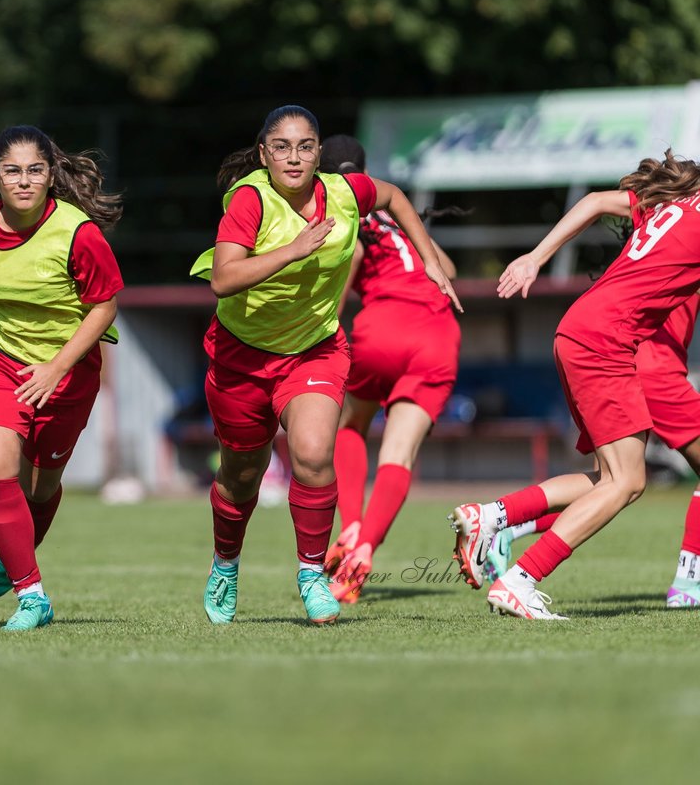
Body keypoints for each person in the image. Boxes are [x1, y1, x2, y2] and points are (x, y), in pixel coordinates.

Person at [191, 106, 459, 625]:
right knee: (241, 476)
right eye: (283, 147)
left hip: (314, 350)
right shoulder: (250, 201)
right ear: (264, 153)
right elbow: (222, 280)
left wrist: (427, 256)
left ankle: (313, 576)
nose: (295, 157)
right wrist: (293, 250)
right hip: (240, 358)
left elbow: (395, 197)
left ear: (319, 154)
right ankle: (225, 564)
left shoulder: (344, 193)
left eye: (306, 146)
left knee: (313, 454)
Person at [451, 150, 700, 619]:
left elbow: (590, 202)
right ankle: (519, 581)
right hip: (606, 340)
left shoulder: (676, 203)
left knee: (612, 478)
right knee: (627, 481)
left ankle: (495, 518)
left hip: (582, 328)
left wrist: (534, 259)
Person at [0, 124, 124, 632]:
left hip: (68, 372)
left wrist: (57, 367)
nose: (25, 181)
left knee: (40, 487)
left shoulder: (78, 232)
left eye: (35, 170)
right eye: (13, 171)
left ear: (50, 175)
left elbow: (104, 305)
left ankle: (15, 550)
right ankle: (32, 595)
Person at [473, 282, 700, 609]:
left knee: (606, 483)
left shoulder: (644, 251)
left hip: (617, 363)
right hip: (656, 373)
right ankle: (687, 584)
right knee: (622, 483)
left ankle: (502, 521)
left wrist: (540, 254)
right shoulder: (683, 250)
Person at [317, 135, 461, 603]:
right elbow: (449, 269)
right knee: (398, 454)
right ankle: (365, 549)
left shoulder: (335, 207)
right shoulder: (393, 212)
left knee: (349, 423)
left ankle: (351, 523)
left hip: (382, 329)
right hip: (437, 336)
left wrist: (326, 323)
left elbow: (355, 256)